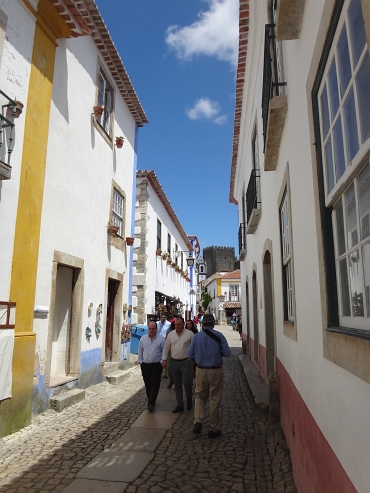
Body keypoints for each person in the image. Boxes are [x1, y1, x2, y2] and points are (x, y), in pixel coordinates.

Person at [187, 313, 231, 439]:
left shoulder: (197, 337)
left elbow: (190, 354)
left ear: (202, 324)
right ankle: (213, 428)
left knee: (199, 397)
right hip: (215, 371)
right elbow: (227, 353)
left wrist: (200, 356)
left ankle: (198, 422)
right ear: (213, 324)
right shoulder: (219, 336)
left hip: (200, 370)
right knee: (214, 399)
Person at [162, 316, 194, 413]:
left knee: (187, 382)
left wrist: (193, 359)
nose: (177, 326)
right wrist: (164, 359)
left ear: (183, 324)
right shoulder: (171, 335)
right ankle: (179, 404)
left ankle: (189, 400)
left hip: (185, 361)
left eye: (179, 324)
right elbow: (167, 347)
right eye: (176, 324)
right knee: (177, 384)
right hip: (174, 361)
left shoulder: (190, 334)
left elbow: (194, 347)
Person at [138, 320, 165, 412]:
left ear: (156, 329)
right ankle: (151, 399)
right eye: (150, 329)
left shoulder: (161, 339)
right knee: (148, 384)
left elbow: (164, 352)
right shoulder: (143, 339)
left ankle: (151, 402)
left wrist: (162, 362)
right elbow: (140, 351)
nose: (151, 330)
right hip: (145, 365)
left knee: (155, 384)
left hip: (156, 365)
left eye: (153, 329)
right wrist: (141, 362)